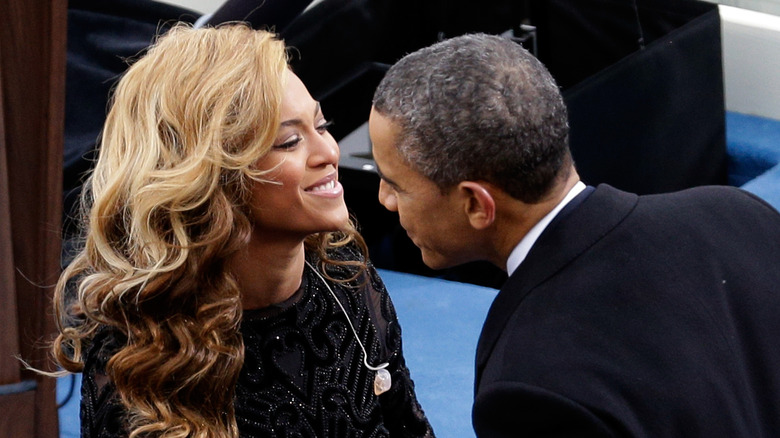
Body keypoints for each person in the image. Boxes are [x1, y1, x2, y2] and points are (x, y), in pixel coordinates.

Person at [368, 33, 780, 437]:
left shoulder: (528, 388)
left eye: (394, 183)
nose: (384, 199)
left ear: (477, 205)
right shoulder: (738, 214)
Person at [51, 24, 433, 438]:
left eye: (322, 125)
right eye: (289, 142)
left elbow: (409, 426)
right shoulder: (141, 358)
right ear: (212, 177)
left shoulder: (345, 276)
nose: (329, 152)